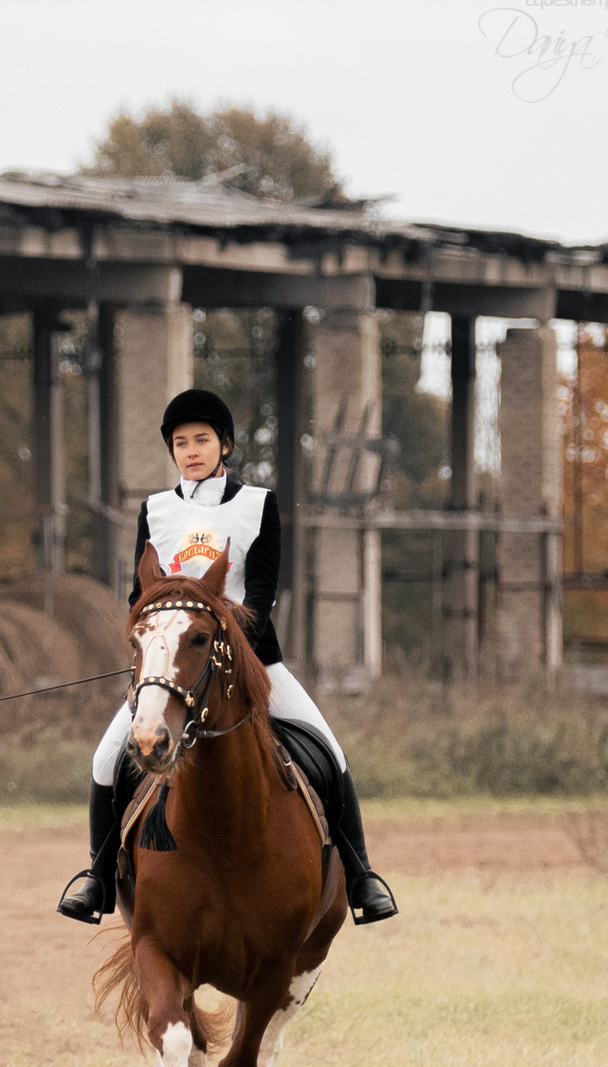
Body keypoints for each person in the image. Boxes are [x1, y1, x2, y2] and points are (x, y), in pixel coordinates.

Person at [56, 388, 397, 927]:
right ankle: (97, 877)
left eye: (202, 440)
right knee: (105, 759)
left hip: (254, 663)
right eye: (180, 442)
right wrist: (160, 639)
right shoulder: (156, 510)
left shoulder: (258, 506)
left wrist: (209, 630)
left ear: (225, 446)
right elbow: (138, 597)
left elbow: (261, 600)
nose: (190, 450)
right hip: (172, 669)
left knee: (329, 752)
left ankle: (362, 877)